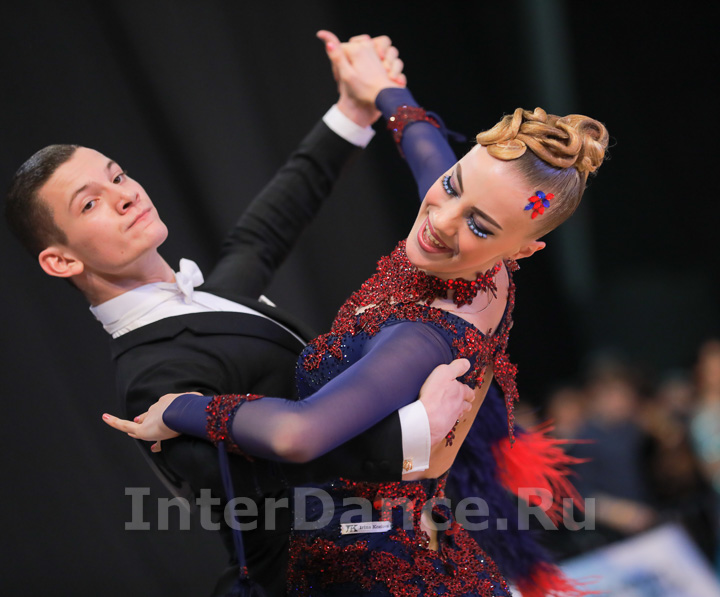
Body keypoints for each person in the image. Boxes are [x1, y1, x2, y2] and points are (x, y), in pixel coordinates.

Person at [106, 32, 610, 596]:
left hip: (377, 576)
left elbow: (298, 435)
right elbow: (424, 143)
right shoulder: (483, 266)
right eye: (452, 186)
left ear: (524, 251)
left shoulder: (423, 335)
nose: (442, 219)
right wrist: (380, 88)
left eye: (479, 225)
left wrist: (179, 409)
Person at [4, 35, 472, 597]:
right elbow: (262, 494)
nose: (124, 195)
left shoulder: (209, 298)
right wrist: (413, 429)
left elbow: (269, 225)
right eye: (90, 202)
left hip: (392, 545)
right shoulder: (153, 376)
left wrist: (354, 107)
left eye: (118, 176)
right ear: (61, 260)